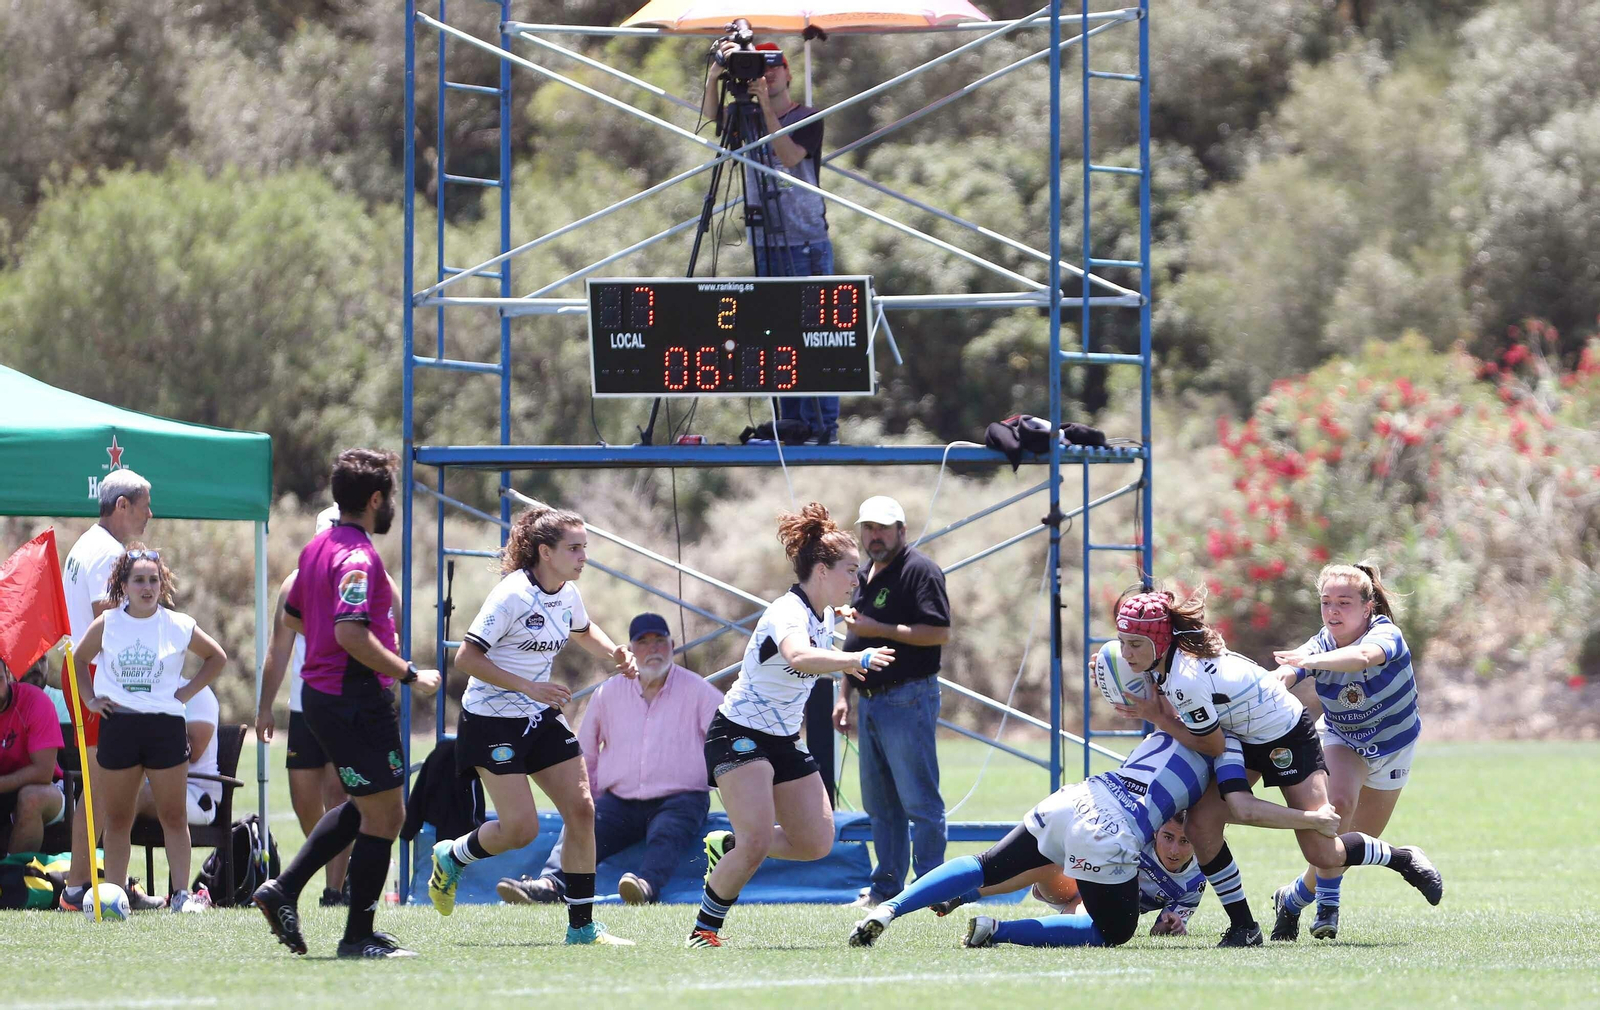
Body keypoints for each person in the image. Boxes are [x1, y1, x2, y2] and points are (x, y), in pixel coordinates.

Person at [1109, 588, 1443, 947]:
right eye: (1122, 643)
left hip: (1286, 733)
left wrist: (1157, 717)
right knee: (1202, 824)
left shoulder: (1183, 678)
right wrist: (1109, 668)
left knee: (1322, 854)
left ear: (1159, 642)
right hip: (1242, 736)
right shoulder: (1167, 660)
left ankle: (1402, 857)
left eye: (1135, 645)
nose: (1127, 654)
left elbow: (1212, 744)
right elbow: (1211, 731)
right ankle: (1245, 928)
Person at [846, 728, 1339, 949]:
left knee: (986, 861)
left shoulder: (1167, 722)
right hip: (1112, 829)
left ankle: (889, 909)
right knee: (1114, 933)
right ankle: (997, 930)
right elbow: (1237, 808)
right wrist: (1312, 819)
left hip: (1077, 796)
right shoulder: (1227, 747)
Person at [252, 448, 441, 959]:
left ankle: (284, 890)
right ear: (375, 499)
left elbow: (294, 617)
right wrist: (409, 673)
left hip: (322, 695)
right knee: (387, 814)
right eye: (391, 498)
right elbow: (350, 633)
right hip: (353, 697)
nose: (391, 507)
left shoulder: (315, 552)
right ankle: (356, 935)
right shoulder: (358, 556)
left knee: (369, 806)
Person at [425, 505, 638, 946]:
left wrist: (613, 652)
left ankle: (582, 929)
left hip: (536, 716)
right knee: (520, 829)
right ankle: (452, 855)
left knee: (582, 810)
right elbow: (465, 658)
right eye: (574, 548)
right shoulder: (512, 596)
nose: (583, 557)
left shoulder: (566, 592)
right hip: (491, 722)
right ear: (545, 551)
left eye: (585, 548)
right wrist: (528, 686)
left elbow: (582, 629)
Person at [686, 502, 895, 948]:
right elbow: (798, 656)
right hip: (738, 733)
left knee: (816, 843)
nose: (857, 581)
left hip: (782, 739)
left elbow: (817, 635)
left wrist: (837, 620)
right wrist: (853, 659)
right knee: (757, 840)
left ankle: (726, 844)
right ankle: (703, 931)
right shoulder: (787, 611)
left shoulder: (822, 612)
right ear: (821, 570)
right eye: (851, 571)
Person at [496, 612, 725, 907]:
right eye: (643, 642)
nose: (653, 649)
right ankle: (549, 885)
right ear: (629, 650)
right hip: (620, 801)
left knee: (668, 832)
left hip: (681, 798)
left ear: (672, 645)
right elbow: (585, 752)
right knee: (583, 825)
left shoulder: (698, 691)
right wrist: (583, 801)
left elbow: (723, 741)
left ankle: (645, 888)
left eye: (660, 641)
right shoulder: (608, 693)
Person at [1268, 562, 1421, 942]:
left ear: (1367, 608)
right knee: (1335, 810)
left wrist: (1309, 662)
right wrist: (1272, 683)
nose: (1333, 611)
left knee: (1346, 848)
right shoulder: (1319, 643)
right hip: (1344, 739)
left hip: (1393, 748)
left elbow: (1363, 658)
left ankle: (1292, 898)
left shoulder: (1386, 633)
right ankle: (1328, 910)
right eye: (1326, 602)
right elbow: (1289, 672)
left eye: (1344, 602)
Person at [73, 546, 228, 913]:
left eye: (153, 580)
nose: (147, 587)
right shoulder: (108, 623)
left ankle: (181, 896)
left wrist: (187, 692)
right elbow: (79, 659)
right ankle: (113, 895)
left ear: (163, 584)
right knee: (118, 817)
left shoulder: (178, 625)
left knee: (173, 815)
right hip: (119, 726)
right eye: (138, 580)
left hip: (164, 728)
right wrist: (91, 699)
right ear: (123, 585)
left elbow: (216, 657)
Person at [699, 37, 838, 444]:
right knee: (775, 336)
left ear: (789, 73)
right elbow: (710, 117)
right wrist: (714, 75)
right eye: (762, 66)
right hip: (766, 242)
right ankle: (791, 424)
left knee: (813, 335)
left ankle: (822, 427)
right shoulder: (745, 117)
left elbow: (791, 156)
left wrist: (763, 111)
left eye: (776, 65)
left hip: (805, 240)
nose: (770, 72)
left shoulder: (808, 116)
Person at [833, 495, 951, 908]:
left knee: (919, 799)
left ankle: (936, 888)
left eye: (883, 528)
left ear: (902, 530)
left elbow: (937, 632)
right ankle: (886, 889)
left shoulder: (920, 571)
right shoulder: (864, 574)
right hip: (870, 699)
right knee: (880, 804)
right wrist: (844, 694)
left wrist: (877, 626)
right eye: (868, 528)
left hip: (908, 696)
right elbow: (855, 636)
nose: (875, 535)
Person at [59, 468, 153, 910]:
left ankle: (84, 884)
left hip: (84, 670)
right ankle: (81, 886)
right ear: (122, 506)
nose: (149, 514)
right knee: (104, 789)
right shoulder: (109, 553)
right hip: (97, 675)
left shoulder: (86, 543)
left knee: (97, 789)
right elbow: (106, 621)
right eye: (144, 505)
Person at [256, 506, 353, 907]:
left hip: (346, 706)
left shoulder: (358, 581)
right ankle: (334, 860)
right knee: (303, 801)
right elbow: (278, 651)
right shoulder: (294, 584)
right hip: (304, 707)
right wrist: (264, 707)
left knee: (338, 792)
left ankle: (335, 890)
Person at [925, 813, 1207, 938]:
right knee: (1047, 863)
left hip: (1101, 906)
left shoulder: (1196, 880)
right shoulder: (1138, 835)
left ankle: (995, 929)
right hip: (1073, 881)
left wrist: (1170, 926)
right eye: (1168, 837)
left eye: (1185, 842)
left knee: (1084, 928)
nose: (1174, 849)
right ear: (1157, 830)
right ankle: (961, 894)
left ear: (1197, 840)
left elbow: (1165, 926)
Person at [0, 655, 66, 856]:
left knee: (31, 798)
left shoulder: (35, 701)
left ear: (9, 676)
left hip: (50, 789)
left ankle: (14, 877)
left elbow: (44, 772)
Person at [134, 684, 221, 830]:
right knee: (109, 790)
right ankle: (92, 850)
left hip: (195, 794)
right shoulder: (146, 691)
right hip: (153, 783)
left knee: (132, 796)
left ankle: (101, 850)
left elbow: (193, 752)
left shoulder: (198, 693)